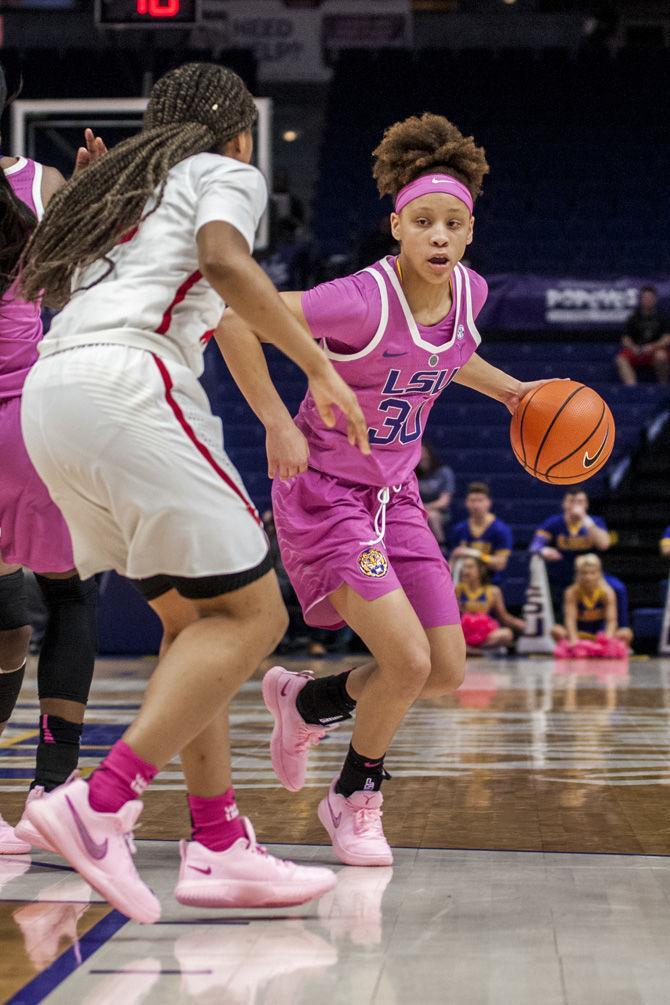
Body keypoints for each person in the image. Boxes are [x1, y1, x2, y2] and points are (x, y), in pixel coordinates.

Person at [19, 62, 369, 922]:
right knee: (256, 616)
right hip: (129, 383)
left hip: (51, 392)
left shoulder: (121, 196)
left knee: (193, 625)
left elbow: (60, 284)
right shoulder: (226, 171)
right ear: (240, 133)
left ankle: (217, 842)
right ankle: (99, 802)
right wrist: (318, 367)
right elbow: (223, 261)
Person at [218, 112, 555, 866]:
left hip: (392, 497)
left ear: (470, 235)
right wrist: (277, 419)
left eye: (454, 223)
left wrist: (512, 393)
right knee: (403, 661)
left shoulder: (469, 293)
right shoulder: (358, 300)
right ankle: (354, 797)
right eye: (424, 221)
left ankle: (308, 702)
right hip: (327, 492)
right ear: (396, 226)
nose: (439, 235)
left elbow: (447, 357)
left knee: (443, 668)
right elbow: (237, 317)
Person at [0, 62, 105, 855]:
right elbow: (90, 273)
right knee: (68, 598)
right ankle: (52, 787)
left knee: (3, 620)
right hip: (30, 423)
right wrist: (93, 194)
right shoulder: (39, 182)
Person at [551, 553, 632, 648]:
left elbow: (611, 621)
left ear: (599, 574)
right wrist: (574, 641)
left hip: (600, 635)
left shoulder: (607, 592)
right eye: (584, 573)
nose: (588, 577)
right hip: (580, 635)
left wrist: (606, 640)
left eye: (592, 573)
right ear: (578, 574)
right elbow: (570, 620)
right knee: (556, 630)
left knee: (626, 633)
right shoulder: (571, 593)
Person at [456, 556, 525, 654]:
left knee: (507, 634)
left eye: (470, 567)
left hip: (484, 633)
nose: (465, 571)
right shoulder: (457, 589)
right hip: (463, 632)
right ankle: (470, 650)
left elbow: (504, 617)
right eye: (464, 567)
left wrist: (519, 624)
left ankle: (475, 651)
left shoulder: (493, 591)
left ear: (480, 570)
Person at [449, 481, 513, 583]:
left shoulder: (501, 529)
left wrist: (474, 553)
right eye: (472, 500)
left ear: (488, 502)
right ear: (466, 502)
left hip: (491, 585)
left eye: (480, 500)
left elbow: (500, 563)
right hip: (464, 585)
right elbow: (453, 562)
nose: (476, 505)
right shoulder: (459, 529)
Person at [616, 285, 670, 386]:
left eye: (650, 298)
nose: (647, 300)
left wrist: (652, 347)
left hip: (655, 350)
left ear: (655, 299)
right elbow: (625, 339)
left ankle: (663, 386)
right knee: (621, 359)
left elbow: (667, 339)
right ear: (640, 299)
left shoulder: (663, 317)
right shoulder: (633, 317)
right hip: (637, 350)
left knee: (661, 356)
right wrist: (634, 348)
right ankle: (632, 388)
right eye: (645, 298)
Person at [415, 441, 454, 545]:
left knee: (432, 516)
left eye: (424, 455)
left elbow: (444, 501)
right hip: (417, 510)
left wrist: (424, 507)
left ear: (430, 455)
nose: (422, 458)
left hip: (439, 512)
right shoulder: (412, 474)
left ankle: (441, 544)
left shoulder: (443, 472)